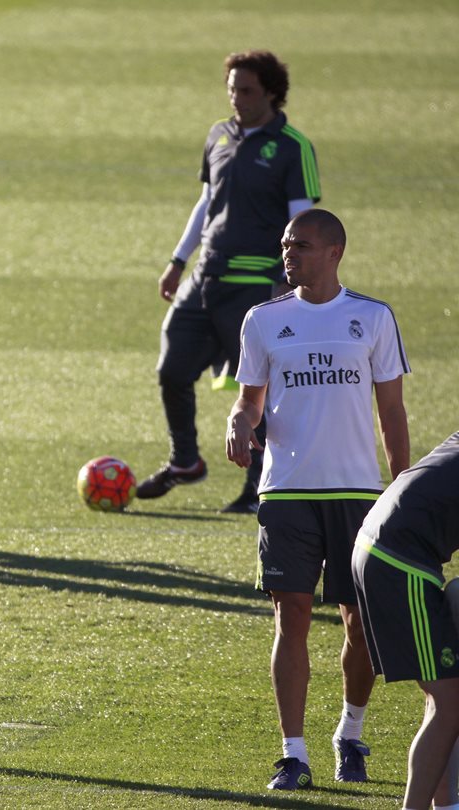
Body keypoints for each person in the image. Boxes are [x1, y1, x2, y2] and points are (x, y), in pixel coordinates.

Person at [225, 209, 411, 790]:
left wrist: (404, 486)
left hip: (358, 493)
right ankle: (293, 753)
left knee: (360, 626)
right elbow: (252, 398)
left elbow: (392, 410)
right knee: (293, 616)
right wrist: (239, 418)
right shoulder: (263, 320)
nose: (289, 253)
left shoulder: (373, 318)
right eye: (285, 244)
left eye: (300, 245)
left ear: (334, 251)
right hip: (286, 491)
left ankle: (350, 734)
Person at [139, 50, 321, 514]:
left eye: (247, 91)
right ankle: (185, 460)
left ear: (271, 93)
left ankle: (257, 488)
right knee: (172, 369)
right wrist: (178, 260)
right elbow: (206, 203)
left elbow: (303, 220)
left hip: (257, 283)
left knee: (257, 388)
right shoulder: (219, 135)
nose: (237, 99)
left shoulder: (292, 147)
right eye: (232, 89)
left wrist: (289, 277)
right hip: (204, 278)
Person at [352, 431, 459, 810]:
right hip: (398, 558)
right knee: (450, 702)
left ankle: (446, 805)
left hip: (381, 546)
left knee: (444, 696)